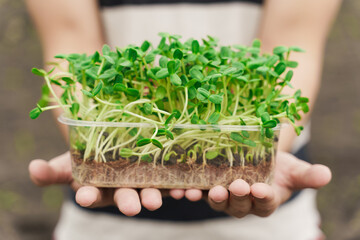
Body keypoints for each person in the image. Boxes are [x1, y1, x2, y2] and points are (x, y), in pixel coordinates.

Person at [25, 0, 341, 239]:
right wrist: (103, 158)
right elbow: (71, 53)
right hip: (104, 226)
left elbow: (290, 53)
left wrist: (259, 157)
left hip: (272, 228)